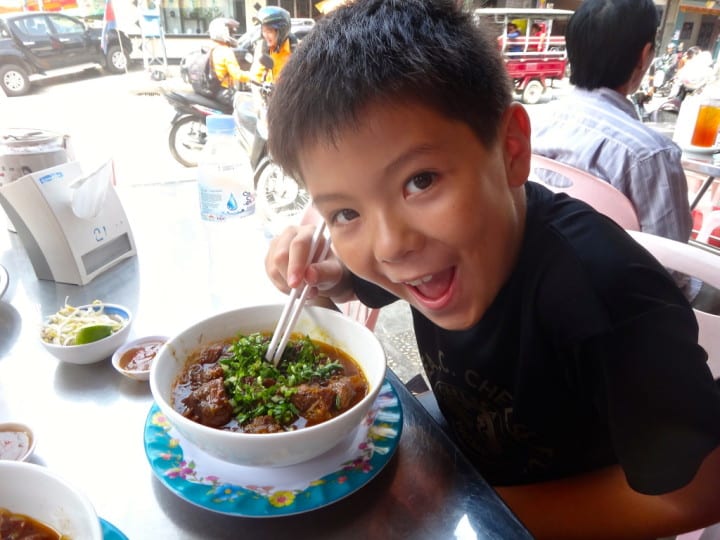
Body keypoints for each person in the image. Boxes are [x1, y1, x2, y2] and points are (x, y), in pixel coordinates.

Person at [263, 0, 720, 537]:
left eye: (421, 181)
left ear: (510, 149)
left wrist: (466, 507)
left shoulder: (607, 293)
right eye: (346, 212)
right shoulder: (427, 261)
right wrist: (326, 274)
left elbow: (696, 495)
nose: (389, 246)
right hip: (465, 455)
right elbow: (366, 275)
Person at [531, 0, 698, 300]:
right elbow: (671, 268)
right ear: (644, 55)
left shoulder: (529, 123)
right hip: (620, 314)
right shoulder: (651, 154)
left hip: (539, 290)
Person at [239, 6, 295, 85]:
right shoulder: (262, 47)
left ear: (282, 31)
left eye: (269, 31)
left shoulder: (296, 49)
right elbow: (256, 76)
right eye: (263, 30)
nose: (265, 35)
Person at [207, 17, 243, 107]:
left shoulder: (213, 47)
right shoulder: (225, 51)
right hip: (224, 93)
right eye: (230, 32)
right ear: (222, 32)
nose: (232, 35)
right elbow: (237, 74)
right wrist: (254, 76)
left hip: (215, 90)